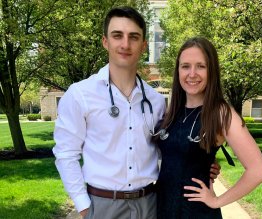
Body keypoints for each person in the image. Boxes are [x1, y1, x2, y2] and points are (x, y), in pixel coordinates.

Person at [53, 7, 219, 219]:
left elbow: (168, 148)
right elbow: (66, 153)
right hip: (102, 206)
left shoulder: (157, 101)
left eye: (133, 37)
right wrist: (84, 206)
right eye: (117, 36)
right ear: (105, 41)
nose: (125, 44)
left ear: (143, 46)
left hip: (150, 204)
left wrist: (201, 161)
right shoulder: (80, 95)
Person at [155, 37, 262, 218]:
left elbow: (259, 171)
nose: (192, 73)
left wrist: (217, 201)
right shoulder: (173, 111)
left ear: (212, 71)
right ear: (178, 71)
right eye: (185, 66)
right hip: (163, 209)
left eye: (201, 66)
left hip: (196, 213)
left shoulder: (221, 113)